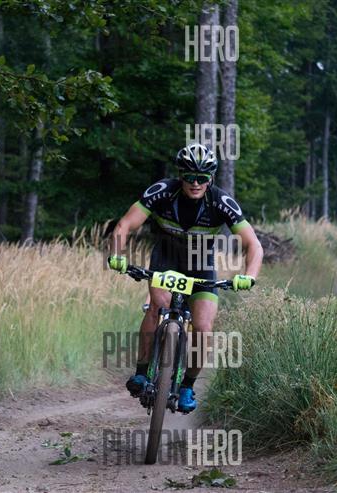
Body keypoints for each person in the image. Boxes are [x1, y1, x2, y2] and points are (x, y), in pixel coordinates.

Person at [108, 142, 263, 412]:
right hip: (165, 259)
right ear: (180, 175)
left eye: (202, 177)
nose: (195, 183)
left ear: (211, 178)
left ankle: (187, 386)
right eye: (190, 176)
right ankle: (142, 372)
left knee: (203, 327)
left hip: (201, 265)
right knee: (157, 307)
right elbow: (125, 224)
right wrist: (117, 255)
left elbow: (253, 245)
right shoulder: (163, 191)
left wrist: (248, 276)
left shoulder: (221, 202)